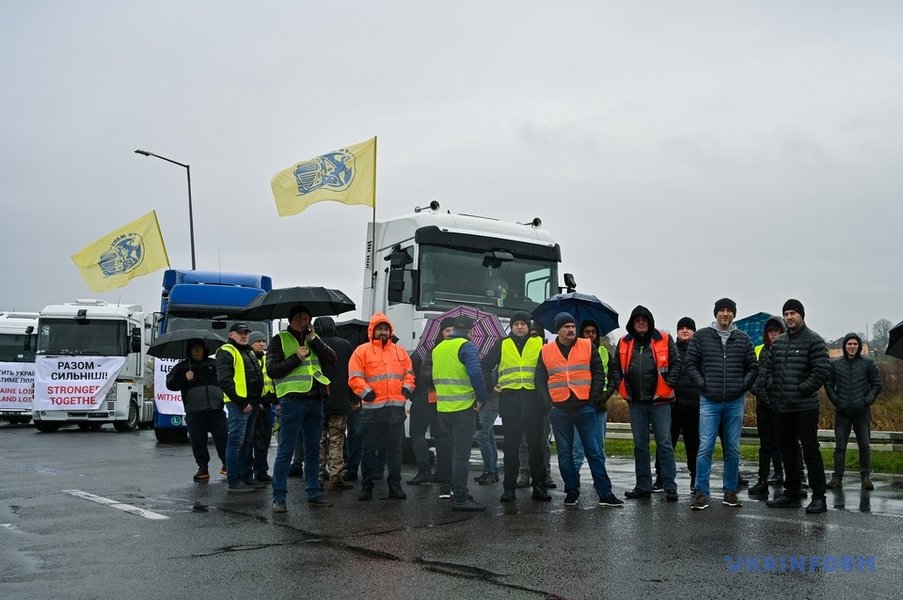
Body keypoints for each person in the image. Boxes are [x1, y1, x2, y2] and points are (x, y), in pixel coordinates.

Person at [537, 312, 622, 508]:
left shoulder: (587, 346)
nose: (571, 330)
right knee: (565, 454)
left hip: (584, 407)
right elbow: (540, 380)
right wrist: (548, 403)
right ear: (558, 330)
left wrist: (592, 401)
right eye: (566, 327)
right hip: (559, 409)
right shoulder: (546, 351)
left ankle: (605, 493)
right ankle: (571, 492)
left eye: (573, 326)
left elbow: (598, 373)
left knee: (594, 452)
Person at [685, 298, 758, 511]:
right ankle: (701, 492)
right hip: (709, 400)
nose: (725, 314)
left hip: (734, 402)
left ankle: (730, 491)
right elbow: (690, 363)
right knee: (705, 446)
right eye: (722, 310)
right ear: (716, 313)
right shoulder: (701, 336)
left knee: (733, 449)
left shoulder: (743, 339)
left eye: (729, 311)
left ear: (733, 314)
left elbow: (753, 367)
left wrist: (740, 387)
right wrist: (702, 384)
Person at [266, 305, 337, 512]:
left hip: (316, 399)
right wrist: (295, 358)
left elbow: (331, 359)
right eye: (298, 317)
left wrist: (314, 340)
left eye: (306, 317)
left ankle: (313, 493)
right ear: (290, 320)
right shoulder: (279, 340)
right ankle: (279, 497)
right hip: (292, 400)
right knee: (286, 451)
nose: (302, 321)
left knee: (314, 450)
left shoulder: (314, 339)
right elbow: (272, 370)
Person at [765, 299, 831, 514]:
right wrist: (773, 387)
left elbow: (821, 371)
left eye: (793, 313)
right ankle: (792, 493)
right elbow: (770, 371)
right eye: (786, 313)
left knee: (811, 452)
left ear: (802, 315)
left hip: (805, 407)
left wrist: (802, 388)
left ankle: (819, 497)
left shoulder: (814, 340)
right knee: (787, 451)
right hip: (782, 407)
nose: (789, 317)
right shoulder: (779, 342)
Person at [609, 306, 680, 502]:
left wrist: (669, 383)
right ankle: (643, 486)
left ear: (650, 322)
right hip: (636, 403)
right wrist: (620, 387)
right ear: (632, 323)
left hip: (660, 402)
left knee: (665, 444)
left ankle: (670, 486)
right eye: (637, 319)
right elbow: (615, 367)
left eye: (644, 319)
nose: (641, 322)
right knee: (640, 446)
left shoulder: (664, 339)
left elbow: (677, 364)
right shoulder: (624, 342)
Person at [484, 311, 550, 503]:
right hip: (510, 402)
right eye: (516, 324)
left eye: (523, 324)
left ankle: (538, 486)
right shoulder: (502, 344)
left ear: (528, 326)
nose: (519, 327)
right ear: (511, 327)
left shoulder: (539, 343)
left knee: (535, 447)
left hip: (533, 401)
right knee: (511, 448)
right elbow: (485, 365)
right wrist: (491, 385)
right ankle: (509, 488)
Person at [349, 313, 414, 501]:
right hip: (372, 410)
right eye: (380, 328)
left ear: (390, 331)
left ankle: (395, 486)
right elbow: (354, 376)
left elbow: (409, 374)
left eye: (386, 329)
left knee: (395, 450)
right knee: (369, 450)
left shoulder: (400, 351)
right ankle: (367, 487)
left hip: (395, 409)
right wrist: (365, 391)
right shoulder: (362, 351)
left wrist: (407, 389)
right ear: (372, 331)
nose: (383, 332)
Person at [433, 315, 491, 511]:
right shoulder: (467, 346)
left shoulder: (439, 348)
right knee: (461, 456)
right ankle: (460, 498)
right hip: (462, 409)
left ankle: (458, 492)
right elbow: (476, 373)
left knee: (454, 453)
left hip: (443, 409)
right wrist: (482, 398)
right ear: (470, 330)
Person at [825, 332, 882, 491]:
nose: (852, 347)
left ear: (859, 346)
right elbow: (828, 385)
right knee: (840, 446)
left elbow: (876, 385)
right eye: (849, 344)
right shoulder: (835, 365)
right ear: (845, 346)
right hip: (842, 412)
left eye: (855, 344)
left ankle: (865, 477)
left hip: (861, 412)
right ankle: (837, 477)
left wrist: (867, 400)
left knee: (864, 446)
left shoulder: (868, 364)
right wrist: (836, 400)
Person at [165, 339, 228, 482]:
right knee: (198, 440)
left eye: (199, 348)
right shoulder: (182, 367)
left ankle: (227, 464)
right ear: (189, 351)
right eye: (194, 348)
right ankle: (202, 468)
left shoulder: (215, 364)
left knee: (223, 437)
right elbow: (170, 384)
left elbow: (227, 379)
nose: (197, 351)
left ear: (204, 350)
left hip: (216, 409)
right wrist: (184, 378)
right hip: (194, 411)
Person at [216, 323, 265, 493]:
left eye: (246, 333)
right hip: (239, 405)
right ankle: (234, 480)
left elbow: (255, 377)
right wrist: (242, 402)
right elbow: (224, 381)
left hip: (251, 404)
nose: (244, 336)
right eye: (240, 333)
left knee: (247, 442)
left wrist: (256, 400)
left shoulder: (248, 351)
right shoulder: (226, 350)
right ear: (231, 334)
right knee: (236, 442)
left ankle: (245, 476)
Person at [654, 317, 701, 493]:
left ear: (694, 331)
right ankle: (660, 478)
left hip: (694, 406)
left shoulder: (700, 351)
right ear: (677, 332)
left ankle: (695, 478)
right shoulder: (670, 350)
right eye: (681, 328)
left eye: (688, 328)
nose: (685, 330)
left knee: (694, 445)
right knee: (665, 444)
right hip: (672, 405)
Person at [408, 318, 453, 497]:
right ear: (440, 333)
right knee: (436, 435)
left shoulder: (426, 351)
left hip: (431, 398)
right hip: (430, 398)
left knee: (425, 435)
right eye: (446, 330)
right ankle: (436, 473)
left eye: (452, 330)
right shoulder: (433, 352)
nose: (449, 333)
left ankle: (428, 472)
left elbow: (414, 374)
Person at [313, 317, 356, 492]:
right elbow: (351, 373)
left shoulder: (313, 345)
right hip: (339, 401)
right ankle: (336, 477)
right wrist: (354, 398)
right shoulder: (345, 345)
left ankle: (317, 477)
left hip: (316, 400)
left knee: (318, 441)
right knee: (337, 440)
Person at [749, 316, 787, 495]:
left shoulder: (787, 349)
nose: (773, 335)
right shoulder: (761, 351)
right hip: (764, 405)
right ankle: (762, 479)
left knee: (785, 442)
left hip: (784, 404)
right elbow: (757, 381)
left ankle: (785, 475)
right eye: (770, 332)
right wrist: (768, 400)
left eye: (777, 331)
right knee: (766, 444)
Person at [572, 320, 611, 475]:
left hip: (599, 406)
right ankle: (573, 479)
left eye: (593, 332)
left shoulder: (605, 353)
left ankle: (600, 479)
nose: (590, 335)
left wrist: (605, 395)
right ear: (582, 333)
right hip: (579, 405)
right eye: (587, 331)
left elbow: (614, 378)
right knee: (577, 447)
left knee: (598, 446)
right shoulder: (574, 352)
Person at [248, 331, 275, 484]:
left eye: (264, 341)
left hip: (266, 405)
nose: (262, 344)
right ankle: (249, 472)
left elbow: (273, 382)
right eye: (258, 341)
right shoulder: (248, 359)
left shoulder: (266, 359)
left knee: (264, 440)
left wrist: (276, 402)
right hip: (253, 405)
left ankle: (261, 471)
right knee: (250, 440)